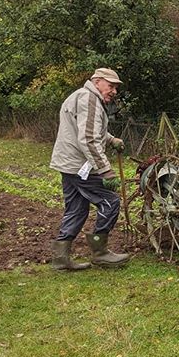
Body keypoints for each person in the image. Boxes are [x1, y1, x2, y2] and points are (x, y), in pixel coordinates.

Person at [49, 68, 129, 270]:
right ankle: (100, 252)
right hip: (79, 165)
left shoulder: (79, 95)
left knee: (77, 208)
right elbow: (89, 139)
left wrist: (111, 139)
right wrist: (106, 171)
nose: (114, 91)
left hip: (68, 164)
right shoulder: (90, 99)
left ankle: (61, 258)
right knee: (111, 201)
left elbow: (88, 127)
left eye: (116, 88)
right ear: (98, 81)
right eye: (111, 86)